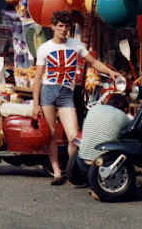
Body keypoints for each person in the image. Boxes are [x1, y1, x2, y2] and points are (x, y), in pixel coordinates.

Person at [32, 10, 121, 185]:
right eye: (60, 26)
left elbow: (94, 62)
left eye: (66, 26)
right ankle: (57, 171)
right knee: (50, 133)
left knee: (73, 135)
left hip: (66, 93)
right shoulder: (45, 48)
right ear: (53, 27)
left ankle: (75, 171)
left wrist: (110, 71)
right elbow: (38, 77)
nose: (63, 30)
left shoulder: (76, 44)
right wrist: (36, 104)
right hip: (48, 91)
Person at [73, 94, 131, 183]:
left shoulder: (94, 108)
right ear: (126, 108)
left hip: (82, 162)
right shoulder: (124, 117)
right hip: (104, 165)